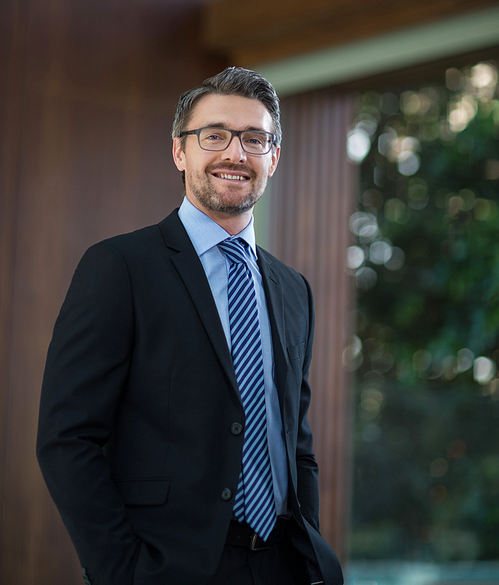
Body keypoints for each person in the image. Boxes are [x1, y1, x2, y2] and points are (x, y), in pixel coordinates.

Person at [37, 67, 344, 585]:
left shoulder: (294, 288)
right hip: (170, 567)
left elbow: (297, 442)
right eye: (214, 135)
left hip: (283, 564)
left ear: (273, 158)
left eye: (255, 139)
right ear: (180, 152)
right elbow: (68, 437)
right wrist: (122, 572)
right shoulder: (121, 267)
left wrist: (308, 549)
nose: (235, 153)